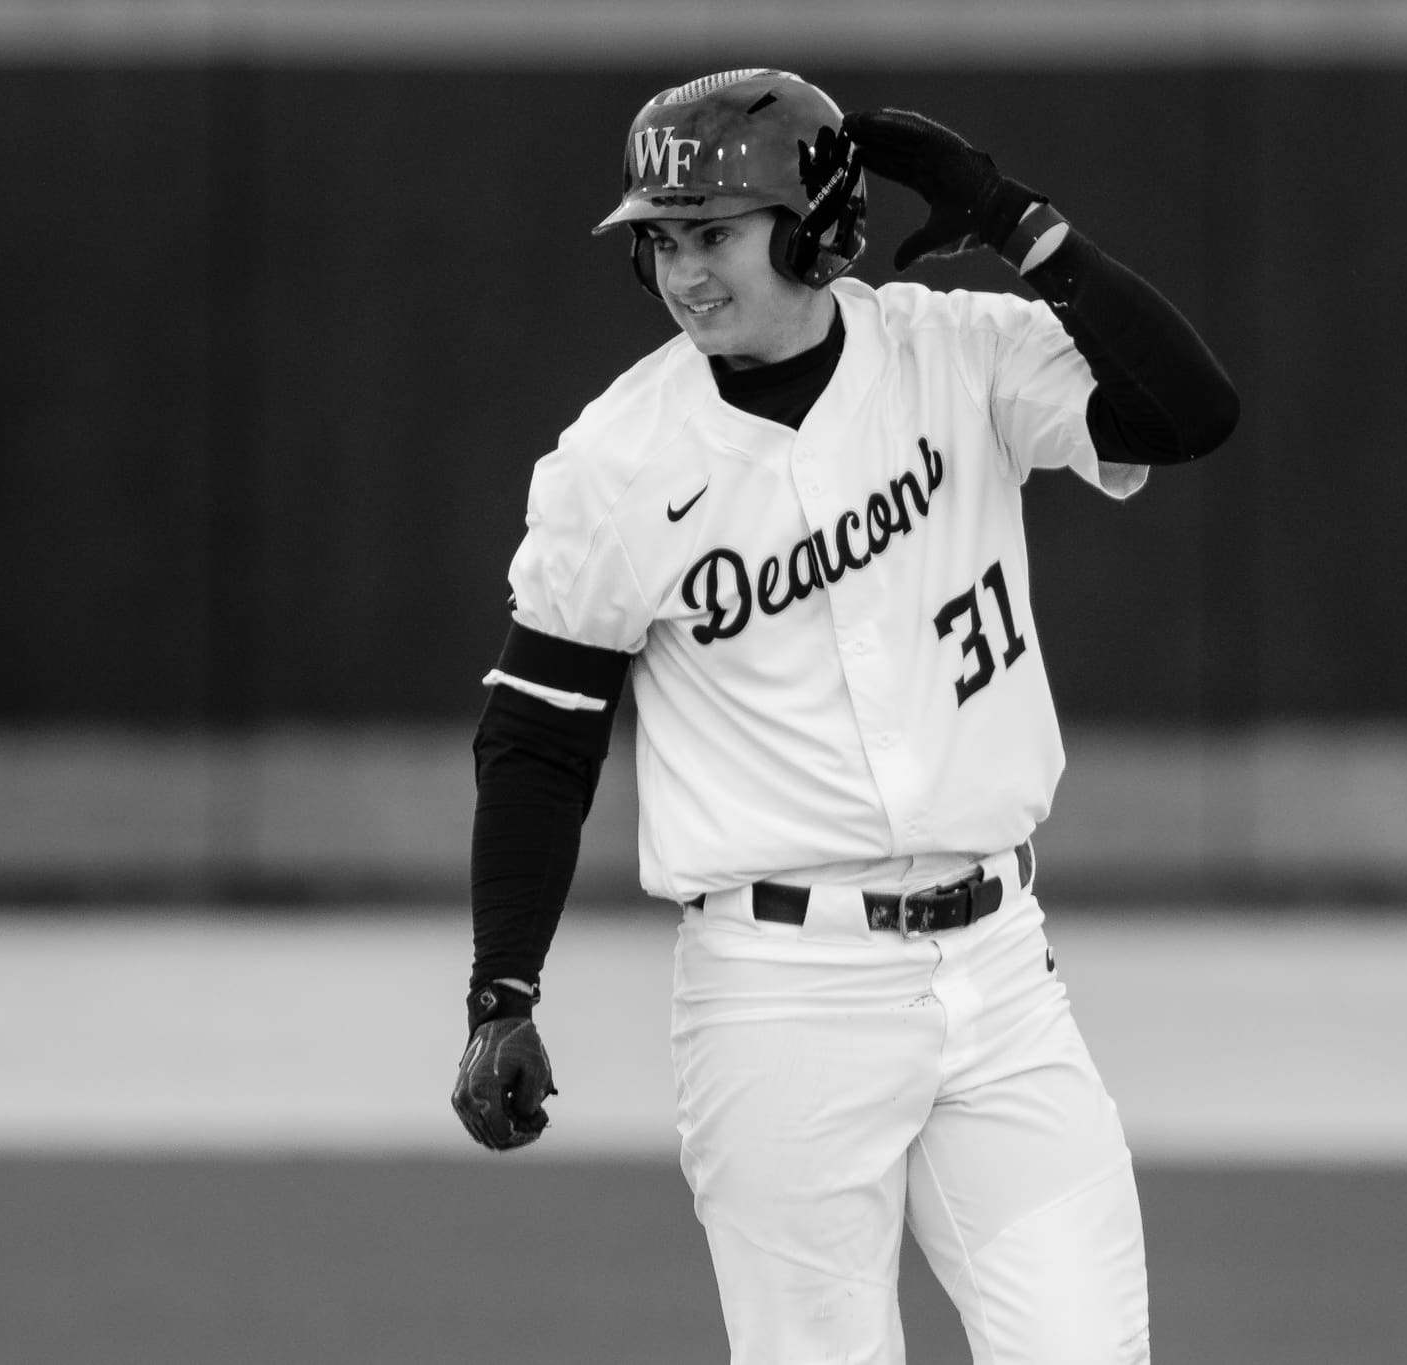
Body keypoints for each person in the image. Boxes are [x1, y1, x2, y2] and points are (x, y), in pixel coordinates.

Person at [450, 67, 1236, 1365]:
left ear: (815, 225)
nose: (685, 272)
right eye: (660, 241)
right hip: (780, 997)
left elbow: (1190, 412)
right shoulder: (616, 461)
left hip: (999, 973)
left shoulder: (952, 354)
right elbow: (542, 730)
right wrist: (503, 986)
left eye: (715, 232)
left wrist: (1018, 222)